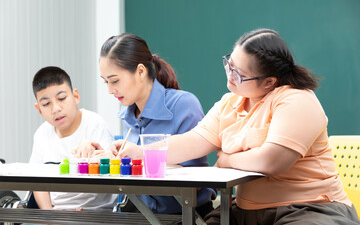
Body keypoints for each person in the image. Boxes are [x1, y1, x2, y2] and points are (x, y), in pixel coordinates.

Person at [116, 29, 360, 224]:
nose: (229, 75)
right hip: (244, 211)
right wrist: (139, 151)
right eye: (229, 64)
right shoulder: (229, 103)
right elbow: (193, 141)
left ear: (269, 82)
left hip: (308, 208)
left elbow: (271, 161)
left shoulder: (296, 100)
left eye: (239, 73)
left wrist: (227, 159)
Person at [74, 33, 216, 216]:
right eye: (106, 82)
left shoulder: (183, 105)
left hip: (181, 217)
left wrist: (138, 158)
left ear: (141, 71)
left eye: (115, 80)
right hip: (137, 215)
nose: (110, 90)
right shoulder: (129, 115)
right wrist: (103, 155)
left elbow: (195, 183)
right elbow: (132, 160)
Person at [30, 66, 118, 210]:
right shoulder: (41, 134)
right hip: (57, 215)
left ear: (75, 96)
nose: (56, 108)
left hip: (96, 213)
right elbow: (37, 183)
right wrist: (50, 218)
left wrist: (95, 153)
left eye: (62, 98)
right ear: (39, 109)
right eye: (46, 104)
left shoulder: (95, 124)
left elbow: (113, 171)